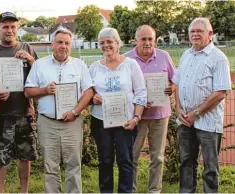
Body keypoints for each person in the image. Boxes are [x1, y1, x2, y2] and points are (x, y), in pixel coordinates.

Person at [24, 27, 94, 193]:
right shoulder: (40, 65)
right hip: (48, 123)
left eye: (67, 43)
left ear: (71, 45)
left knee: (73, 166)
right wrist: (45, 91)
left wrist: (75, 111)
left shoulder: (79, 65)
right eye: (60, 42)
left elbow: (89, 91)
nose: (64, 46)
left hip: (72, 122)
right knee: (50, 167)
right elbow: (28, 91)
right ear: (53, 44)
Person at [172, 17, 232, 193]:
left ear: (210, 34)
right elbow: (176, 83)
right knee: (186, 162)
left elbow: (221, 92)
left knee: (210, 167)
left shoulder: (218, 58)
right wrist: (178, 109)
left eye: (199, 31)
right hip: (185, 120)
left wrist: (196, 113)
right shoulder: (186, 55)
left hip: (207, 123)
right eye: (192, 31)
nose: (195, 34)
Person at [0, 12, 38, 193]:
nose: (9, 30)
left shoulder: (27, 48)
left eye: (13, 26)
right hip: (2, 115)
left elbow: (40, 75)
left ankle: (24, 191)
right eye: (5, 26)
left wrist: (30, 60)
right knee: (1, 157)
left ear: (17, 28)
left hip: (25, 111)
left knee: (25, 155)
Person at [89, 27, 147, 193]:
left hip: (126, 121)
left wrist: (136, 117)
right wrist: (93, 98)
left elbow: (141, 91)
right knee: (105, 160)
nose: (106, 45)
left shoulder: (130, 65)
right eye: (102, 43)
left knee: (125, 160)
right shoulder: (94, 67)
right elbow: (86, 92)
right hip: (100, 121)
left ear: (118, 43)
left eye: (109, 42)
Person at [124, 25, 175, 193]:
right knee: (132, 156)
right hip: (135, 116)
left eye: (150, 39)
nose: (147, 43)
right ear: (136, 40)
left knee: (158, 157)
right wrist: (138, 99)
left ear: (155, 40)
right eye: (143, 39)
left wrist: (171, 88)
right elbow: (123, 88)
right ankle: (130, 189)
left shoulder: (164, 56)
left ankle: (154, 190)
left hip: (160, 115)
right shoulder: (126, 59)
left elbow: (174, 80)